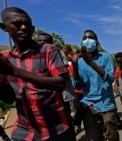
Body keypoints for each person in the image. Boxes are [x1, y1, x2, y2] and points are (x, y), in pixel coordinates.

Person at [0, 7, 72, 141]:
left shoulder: (48, 51)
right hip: (24, 132)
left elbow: (60, 83)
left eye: (27, 24)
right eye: (17, 24)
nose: (23, 27)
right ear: (4, 27)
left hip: (56, 129)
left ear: (32, 29)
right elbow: (9, 99)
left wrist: (15, 71)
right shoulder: (6, 60)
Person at [64, 29, 119, 141]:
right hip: (88, 104)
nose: (87, 40)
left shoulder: (106, 56)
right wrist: (74, 65)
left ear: (97, 42)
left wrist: (91, 63)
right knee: (94, 137)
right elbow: (78, 86)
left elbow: (110, 79)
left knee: (112, 136)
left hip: (106, 102)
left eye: (91, 38)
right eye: (85, 38)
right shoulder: (79, 61)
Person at [37, 33, 77, 140]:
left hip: (62, 96)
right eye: (39, 41)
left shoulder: (57, 53)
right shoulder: (37, 57)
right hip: (47, 99)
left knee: (66, 123)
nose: (41, 43)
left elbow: (66, 74)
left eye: (44, 41)